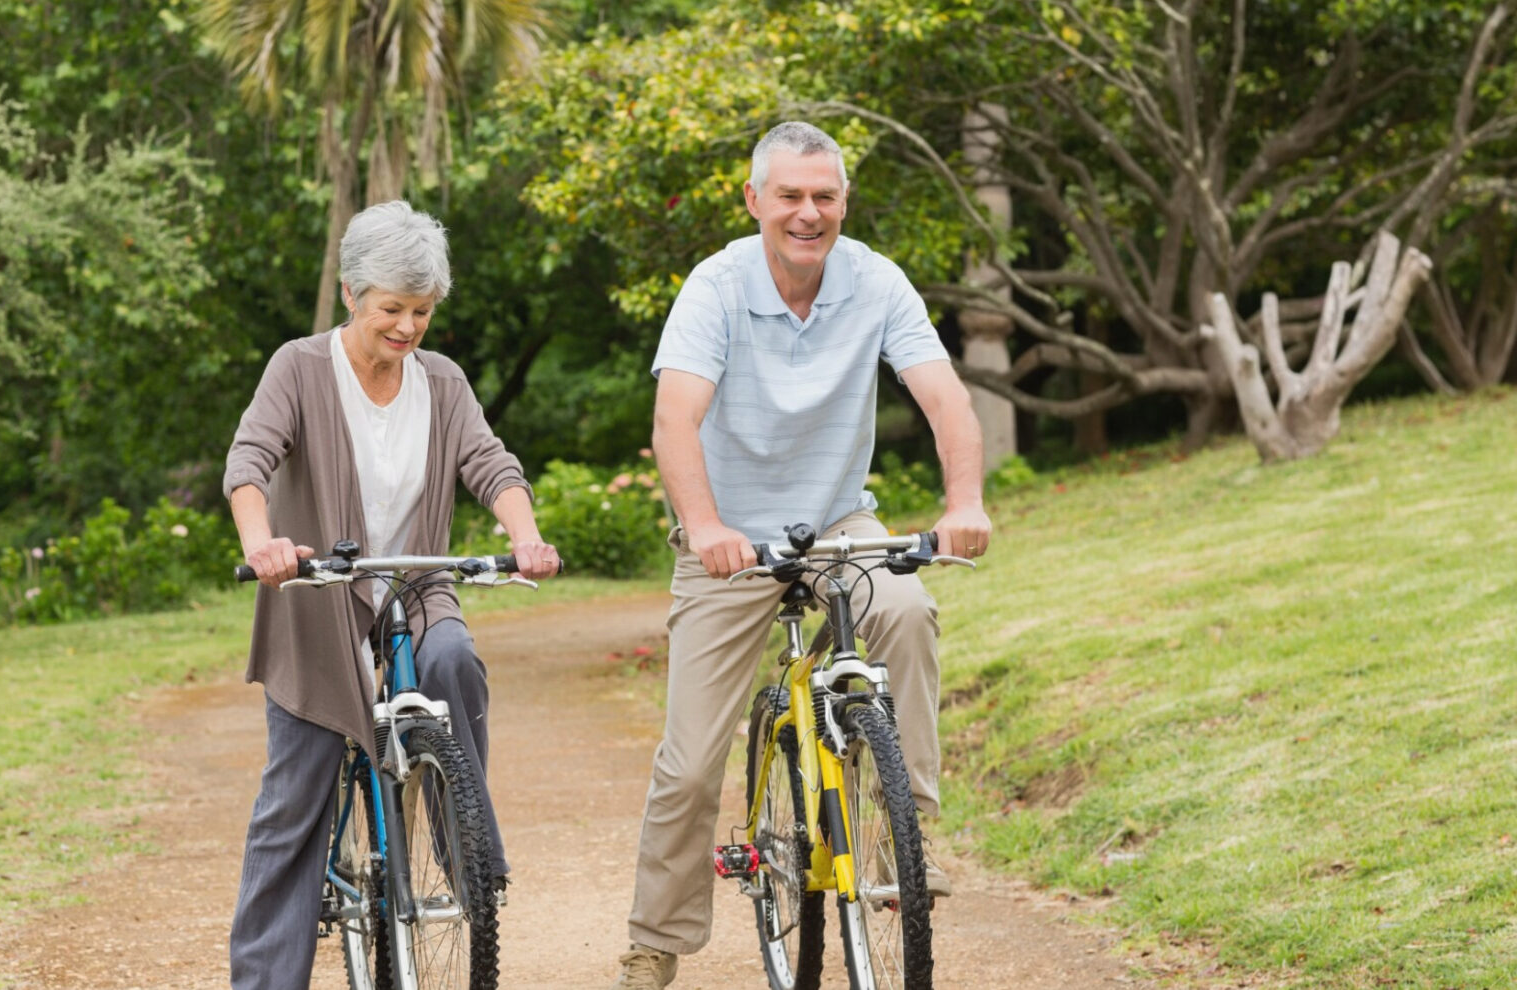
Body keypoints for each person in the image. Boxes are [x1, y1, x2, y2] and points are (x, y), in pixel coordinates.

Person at [609, 121, 994, 989]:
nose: (807, 213)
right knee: (690, 760)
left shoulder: (876, 280)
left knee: (907, 610)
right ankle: (655, 940)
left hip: (837, 522)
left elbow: (945, 401)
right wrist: (705, 525)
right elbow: (675, 421)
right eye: (789, 195)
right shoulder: (715, 287)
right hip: (729, 537)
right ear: (755, 200)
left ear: (844, 202)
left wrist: (965, 503)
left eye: (824, 196)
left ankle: (900, 832)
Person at [223, 200, 560, 990]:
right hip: (317, 594)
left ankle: (465, 847)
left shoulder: (441, 380)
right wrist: (262, 543)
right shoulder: (299, 367)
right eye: (392, 309)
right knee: (297, 795)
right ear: (351, 295)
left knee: (454, 663)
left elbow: (490, 464)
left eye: (422, 311)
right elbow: (250, 461)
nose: (408, 327)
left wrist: (525, 535)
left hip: (414, 583)